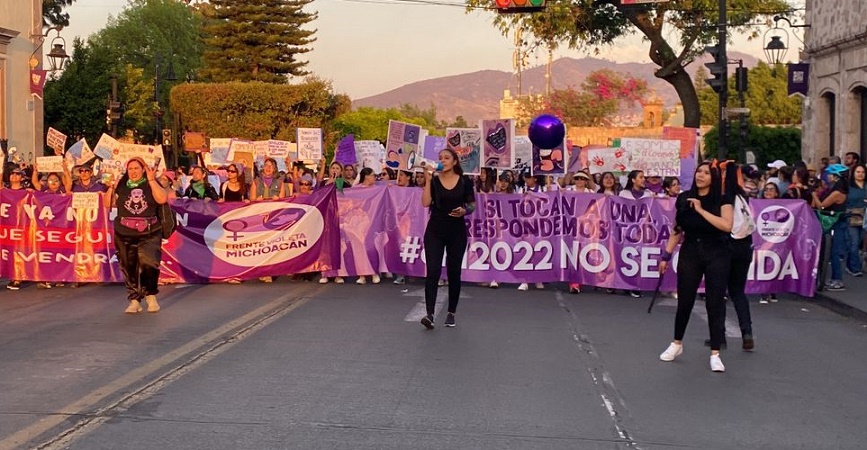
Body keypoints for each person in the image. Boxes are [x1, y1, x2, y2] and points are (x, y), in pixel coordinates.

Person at [658, 161, 733, 372]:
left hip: (717, 252)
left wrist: (701, 210)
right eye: (699, 171)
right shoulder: (683, 198)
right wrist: (666, 255)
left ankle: (715, 353)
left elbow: (727, 225)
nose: (701, 175)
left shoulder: (723, 199)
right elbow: (677, 229)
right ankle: (676, 343)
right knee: (685, 299)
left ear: (713, 177)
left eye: (706, 173)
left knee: (715, 302)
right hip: (691, 251)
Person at [420, 148, 475, 329]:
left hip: (456, 231)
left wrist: (464, 211)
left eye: (446, 158)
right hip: (435, 230)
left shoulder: (465, 181)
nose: (442, 161)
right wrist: (428, 181)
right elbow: (426, 203)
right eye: (440, 158)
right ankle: (430, 314)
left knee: (454, 272)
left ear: (454, 161)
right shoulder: (434, 181)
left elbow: (472, 205)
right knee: (433, 271)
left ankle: (451, 312)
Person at [112, 157, 169, 314]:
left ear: (143, 169)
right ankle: (134, 300)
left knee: (149, 264)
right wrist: (110, 187)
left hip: (149, 231)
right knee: (128, 266)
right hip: (124, 231)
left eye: (136, 168)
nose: (133, 172)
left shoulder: (151, 182)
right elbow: (107, 204)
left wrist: (151, 180)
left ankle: (150, 296)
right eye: (130, 169)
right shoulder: (122, 184)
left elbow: (162, 198)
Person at [719, 162, 755, 350]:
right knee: (738, 292)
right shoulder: (743, 196)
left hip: (727, 246)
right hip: (744, 247)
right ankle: (747, 331)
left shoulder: (723, 197)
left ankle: (720, 336)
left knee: (719, 291)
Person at [813, 164, 849, 291]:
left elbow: (822, 206)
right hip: (836, 222)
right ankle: (834, 278)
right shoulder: (835, 189)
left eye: (830, 175)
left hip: (837, 223)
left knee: (834, 252)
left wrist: (814, 195)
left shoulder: (837, 193)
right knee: (832, 251)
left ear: (836, 177)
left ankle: (838, 280)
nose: (827, 177)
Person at [620, 170, 652, 298]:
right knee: (627, 257)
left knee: (640, 258)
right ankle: (626, 284)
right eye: (640, 177)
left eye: (644, 177)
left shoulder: (649, 194)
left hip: (643, 232)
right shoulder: (624, 194)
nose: (643, 179)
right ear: (633, 180)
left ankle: (636, 285)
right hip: (627, 231)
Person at [354, 168, 381, 285]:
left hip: (373, 221)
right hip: (358, 222)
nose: (374, 177)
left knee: (372, 247)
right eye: (373, 175)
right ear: (366, 176)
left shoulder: (377, 189)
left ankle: (375, 272)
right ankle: (362, 275)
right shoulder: (355, 189)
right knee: (360, 247)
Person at [845, 164, 866, 277]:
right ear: (853, 173)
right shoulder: (849, 187)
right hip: (851, 217)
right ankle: (855, 268)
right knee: (853, 242)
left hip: (865, 219)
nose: (860, 174)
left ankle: (850, 264)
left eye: (862, 172)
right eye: (858, 172)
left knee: (859, 243)